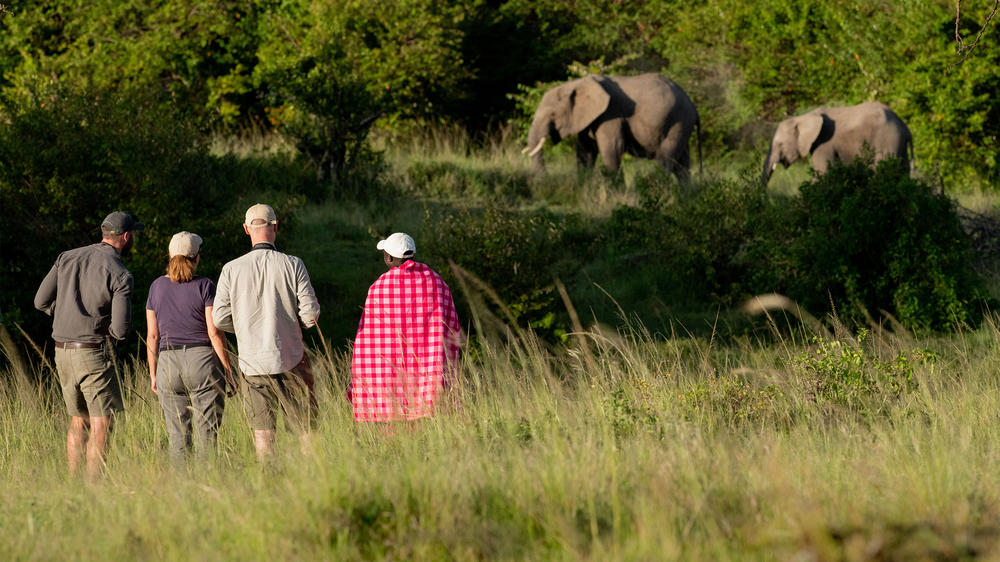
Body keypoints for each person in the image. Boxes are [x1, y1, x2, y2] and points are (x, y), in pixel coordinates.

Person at [34, 211, 143, 479]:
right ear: (125, 237)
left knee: (78, 419)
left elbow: (40, 302)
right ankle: (94, 488)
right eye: (134, 234)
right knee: (102, 423)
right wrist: (100, 327)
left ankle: (74, 484)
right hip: (94, 353)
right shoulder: (121, 274)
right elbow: (120, 330)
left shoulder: (66, 257)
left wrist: (65, 313)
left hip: (61, 351)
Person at [213, 204, 320, 460]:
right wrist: (297, 324)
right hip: (291, 358)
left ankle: (267, 477)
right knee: (305, 429)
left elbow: (219, 318)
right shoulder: (293, 264)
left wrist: (243, 329)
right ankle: (309, 476)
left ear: (246, 229)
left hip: (252, 363)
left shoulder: (231, 269)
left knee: (263, 434)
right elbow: (310, 316)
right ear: (275, 226)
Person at [146, 231, 237, 463]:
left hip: (167, 364)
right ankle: (207, 482)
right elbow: (214, 332)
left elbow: (153, 335)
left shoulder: (156, 287)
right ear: (196, 258)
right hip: (202, 361)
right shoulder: (205, 285)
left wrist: (153, 374)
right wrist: (228, 369)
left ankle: (181, 484)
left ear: (170, 256)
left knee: (177, 437)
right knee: (207, 435)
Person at [351, 232, 461, 422]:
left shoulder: (379, 287)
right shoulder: (436, 282)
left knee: (391, 426)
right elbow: (452, 326)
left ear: (390, 258)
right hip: (427, 372)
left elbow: (366, 336)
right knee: (426, 425)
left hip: (389, 375)